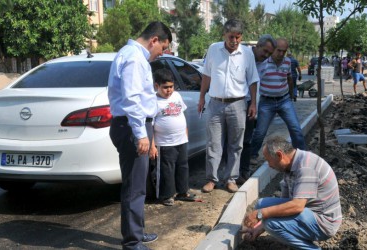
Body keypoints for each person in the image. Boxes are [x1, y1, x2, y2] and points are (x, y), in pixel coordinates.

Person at [108, 21, 172, 250]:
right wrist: (141, 135)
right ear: (154, 40)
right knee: (134, 188)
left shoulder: (132, 55)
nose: (161, 54)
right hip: (131, 127)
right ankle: (132, 242)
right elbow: (132, 99)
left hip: (132, 126)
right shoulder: (135, 58)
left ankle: (136, 232)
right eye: (163, 48)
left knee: (137, 186)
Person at [242, 136, 342, 249]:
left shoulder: (306, 168)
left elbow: (297, 206)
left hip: (324, 223)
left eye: (269, 160)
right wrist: (258, 227)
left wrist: (260, 215)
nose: (269, 165)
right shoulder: (290, 165)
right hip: (309, 212)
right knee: (261, 204)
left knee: (270, 223)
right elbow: (283, 205)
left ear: (279, 155)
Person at [198, 19, 259, 193]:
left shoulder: (247, 53)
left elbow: (253, 79)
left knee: (235, 144)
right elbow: (206, 75)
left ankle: (231, 179)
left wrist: (253, 102)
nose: (234, 41)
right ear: (224, 34)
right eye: (231, 36)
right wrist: (202, 97)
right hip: (215, 103)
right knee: (213, 144)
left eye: (238, 37)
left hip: (238, 104)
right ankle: (211, 179)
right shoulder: (213, 49)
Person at [250, 38, 306, 163]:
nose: (281, 54)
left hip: (284, 100)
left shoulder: (287, 62)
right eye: (279, 51)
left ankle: (302, 155)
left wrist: (291, 95)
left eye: (284, 51)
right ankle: (252, 154)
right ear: (273, 50)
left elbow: (289, 78)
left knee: (295, 128)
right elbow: (254, 82)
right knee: (260, 132)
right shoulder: (263, 63)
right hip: (266, 102)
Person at [149, 69, 196, 206]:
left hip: (181, 139)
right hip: (164, 143)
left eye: (171, 86)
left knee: (182, 166)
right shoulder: (153, 101)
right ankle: (166, 195)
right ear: (156, 86)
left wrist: (185, 131)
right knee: (166, 169)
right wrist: (152, 146)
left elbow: (182, 114)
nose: (169, 90)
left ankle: (182, 191)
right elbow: (150, 126)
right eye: (165, 87)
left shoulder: (176, 96)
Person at [236, 34, 277, 185]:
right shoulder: (242, 55)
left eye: (269, 54)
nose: (265, 55)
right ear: (257, 46)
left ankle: (243, 172)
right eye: (264, 51)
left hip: (251, 105)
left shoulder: (266, 64)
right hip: (236, 102)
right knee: (233, 141)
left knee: (247, 141)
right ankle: (229, 173)